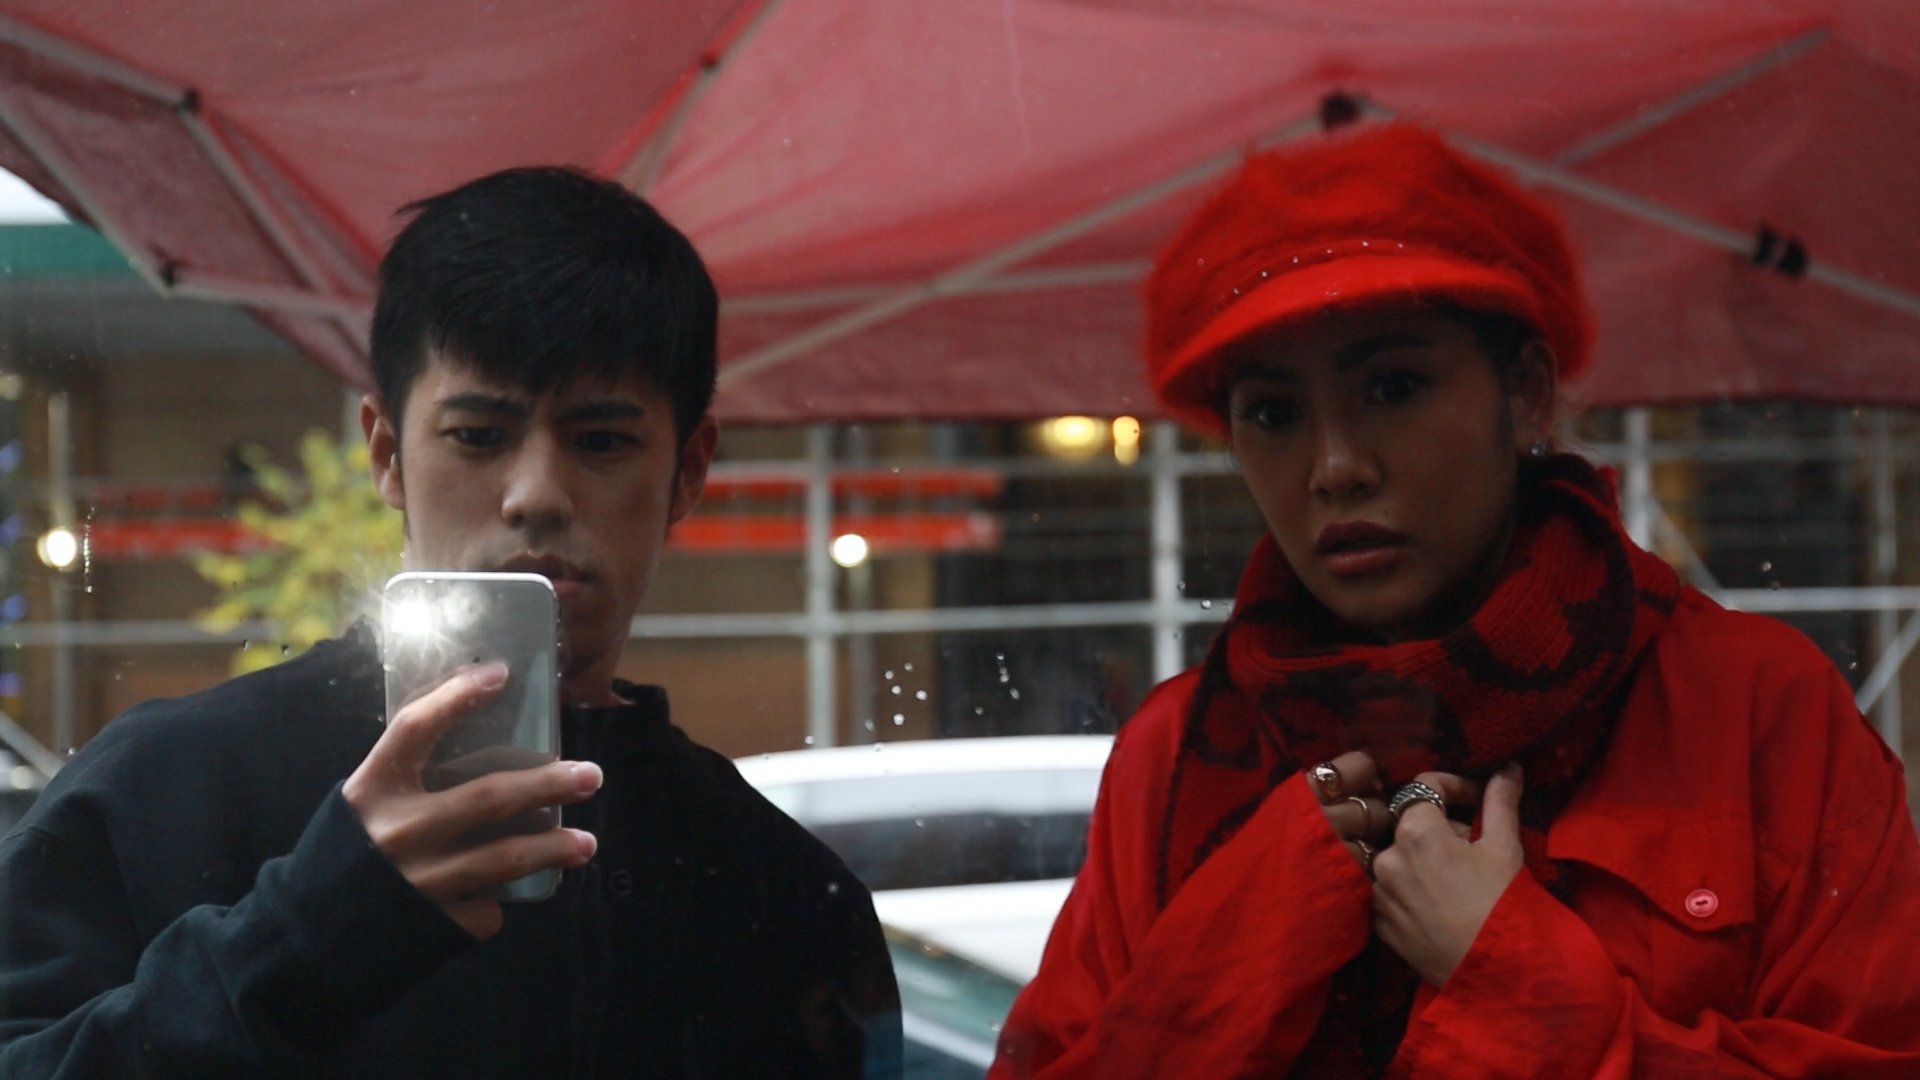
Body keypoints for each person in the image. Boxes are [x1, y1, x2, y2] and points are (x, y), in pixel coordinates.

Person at [991, 124, 1920, 1078]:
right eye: (1273, 413)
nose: (1336, 468)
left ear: (1524, 390)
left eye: (1394, 386)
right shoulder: (1172, 755)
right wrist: (1230, 954)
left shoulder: (1752, 707)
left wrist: (1518, 989)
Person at [0, 167, 902, 1078]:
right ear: (388, 453)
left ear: (689, 470)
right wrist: (306, 936)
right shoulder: (168, 790)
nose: (536, 495)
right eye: (478, 435)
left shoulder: (777, 885)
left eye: (601, 440)